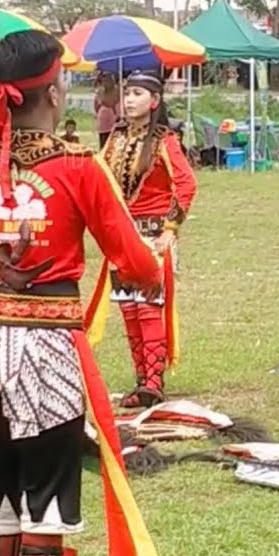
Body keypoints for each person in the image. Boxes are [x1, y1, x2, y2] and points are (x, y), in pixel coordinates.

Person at [0, 30, 189, 556]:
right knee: (46, 497)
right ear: (55, 88)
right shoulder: (79, 168)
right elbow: (129, 257)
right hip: (48, 353)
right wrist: (155, 260)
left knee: (0, 494)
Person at [90, 70, 198, 409]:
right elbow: (101, 177)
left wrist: (170, 229)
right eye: (127, 93)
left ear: (154, 101)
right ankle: (141, 381)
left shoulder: (165, 141)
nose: (130, 99)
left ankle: (154, 381)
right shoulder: (116, 137)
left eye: (137, 93)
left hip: (153, 234)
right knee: (129, 309)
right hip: (122, 235)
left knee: (149, 307)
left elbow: (186, 184)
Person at [93, 71, 120, 149]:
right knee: (103, 145)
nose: (106, 81)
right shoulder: (100, 92)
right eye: (104, 79)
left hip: (116, 123)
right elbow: (96, 107)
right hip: (103, 123)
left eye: (108, 78)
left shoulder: (118, 91)